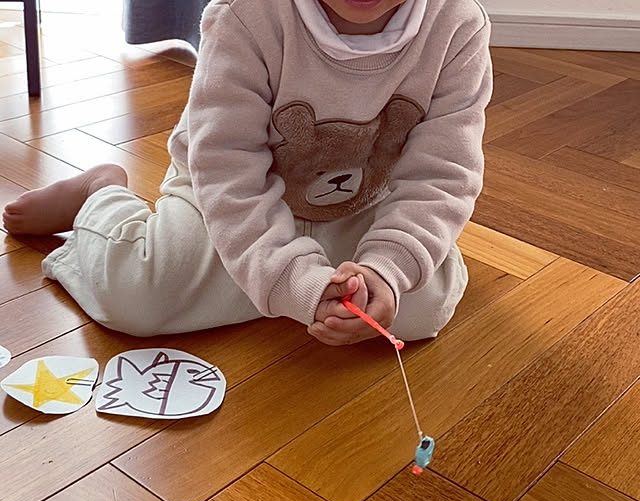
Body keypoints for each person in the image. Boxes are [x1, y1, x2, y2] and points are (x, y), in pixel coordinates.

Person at [2, 0, 492, 344]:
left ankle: (282, 282)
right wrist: (290, 278)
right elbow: (227, 171)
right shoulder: (245, 14)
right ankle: (101, 192)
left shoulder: (458, 25)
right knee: (138, 296)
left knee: (424, 304)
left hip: (356, 202)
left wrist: (385, 270)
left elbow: (442, 175)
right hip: (227, 193)